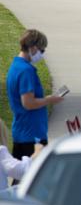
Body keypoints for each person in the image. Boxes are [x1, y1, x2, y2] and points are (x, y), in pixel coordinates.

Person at [6, 29, 63, 160]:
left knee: (21, 176)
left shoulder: (16, 66)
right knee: (35, 177)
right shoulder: (26, 71)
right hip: (32, 133)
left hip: (22, 130)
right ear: (32, 48)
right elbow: (28, 103)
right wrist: (49, 100)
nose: (42, 54)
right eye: (41, 50)